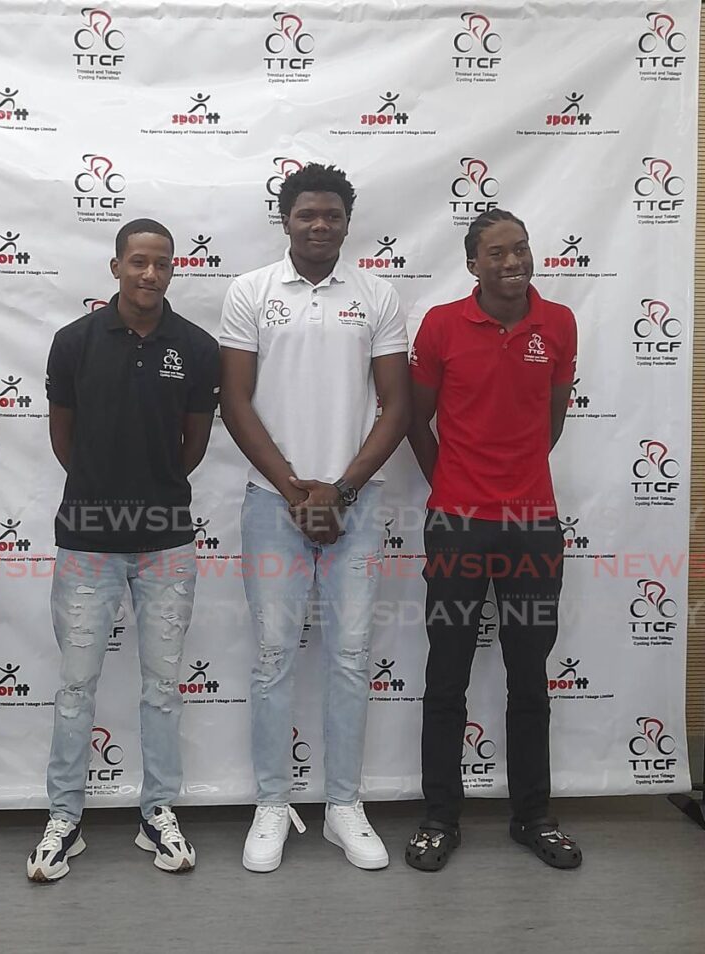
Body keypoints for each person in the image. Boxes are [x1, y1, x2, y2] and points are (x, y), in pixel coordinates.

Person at [219, 163, 410, 872]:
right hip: (274, 505)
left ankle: (343, 807)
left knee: (352, 656)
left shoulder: (378, 295)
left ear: (347, 223)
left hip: (356, 507)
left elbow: (397, 405)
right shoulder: (251, 292)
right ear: (287, 219)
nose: (320, 225)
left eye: (332, 215)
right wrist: (297, 489)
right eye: (307, 214)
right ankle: (272, 803)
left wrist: (341, 490)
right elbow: (235, 400)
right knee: (272, 659)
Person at [27, 219, 220, 881]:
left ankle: (157, 812)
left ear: (172, 270)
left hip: (165, 542)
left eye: (161, 264)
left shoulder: (195, 348)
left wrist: (151, 491)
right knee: (77, 686)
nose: (149, 274)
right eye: (137, 262)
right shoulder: (73, 343)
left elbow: (191, 447)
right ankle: (65, 818)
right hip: (87, 542)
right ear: (115, 268)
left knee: (163, 688)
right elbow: (65, 439)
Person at [405, 209, 581, 871]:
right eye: (498, 253)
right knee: (446, 672)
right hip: (457, 527)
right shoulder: (443, 326)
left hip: (533, 528)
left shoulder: (558, 323)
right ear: (473, 263)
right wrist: (452, 484)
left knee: (528, 675)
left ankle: (533, 815)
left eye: (521, 249)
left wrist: (514, 478)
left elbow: (552, 417)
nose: (513, 262)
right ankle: (438, 817)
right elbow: (417, 421)